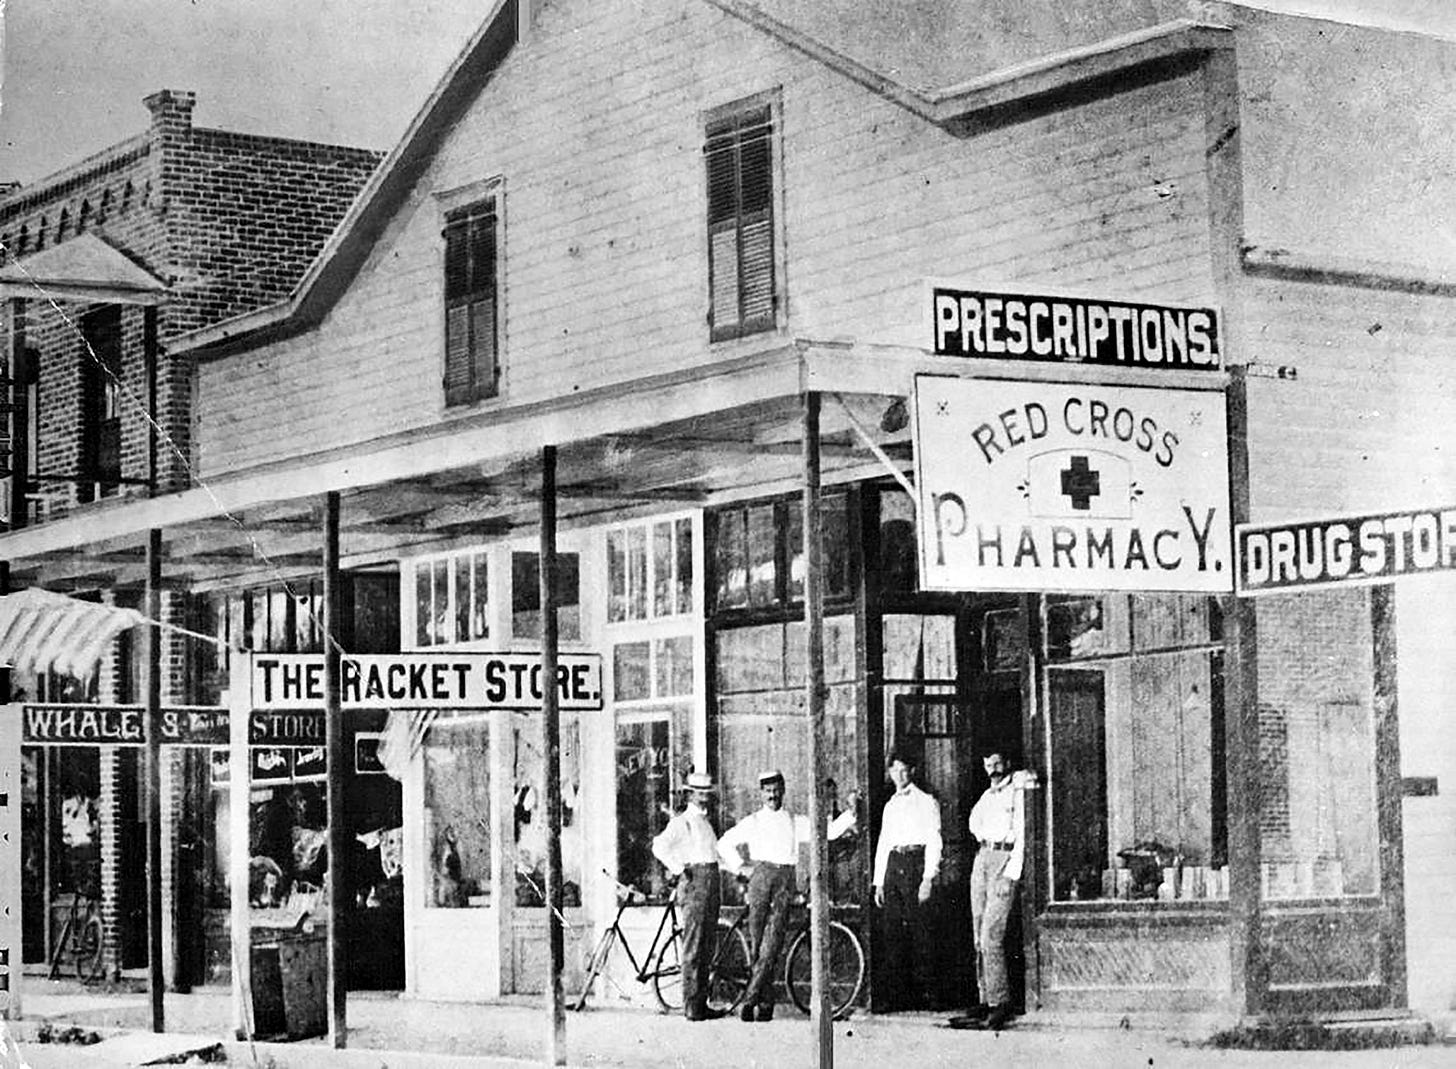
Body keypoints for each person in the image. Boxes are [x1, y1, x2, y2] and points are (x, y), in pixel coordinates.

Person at [717, 770, 858, 1022]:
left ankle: (750, 999)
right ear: (761, 794)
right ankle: (766, 1004)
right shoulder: (754, 821)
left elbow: (827, 832)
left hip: (784, 881)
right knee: (759, 943)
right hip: (760, 880)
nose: (772, 795)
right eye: (767, 791)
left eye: (776, 790)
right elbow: (723, 844)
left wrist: (851, 813)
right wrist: (741, 867)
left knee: (772, 943)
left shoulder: (795, 820)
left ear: (783, 790)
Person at [957, 750, 1036, 1032]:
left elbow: (1023, 835)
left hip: (1004, 860)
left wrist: (1011, 873)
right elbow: (973, 823)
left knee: (992, 933)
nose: (994, 769)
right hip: (983, 859)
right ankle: (985, 997)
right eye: (988, 764)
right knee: (979, 931)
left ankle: (1001, 1002)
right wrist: (983, 845)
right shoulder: (986, 797)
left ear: (1008, 763)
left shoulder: (1015, 792)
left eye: (998, 763)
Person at [651, 769, 724, 1021]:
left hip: (711, 882)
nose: (704, 798)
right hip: (695, 884)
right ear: (689, 794)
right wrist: (680, 869)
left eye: (707, 793)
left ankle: (700, 1003)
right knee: (694, 945)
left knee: (706, 946)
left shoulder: (705, 823)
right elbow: (658, 846)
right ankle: (692, 1005)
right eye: (698, 793)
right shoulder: (681, 822)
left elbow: (714, 855)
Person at [872, 750, 942, 1010]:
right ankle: (896, 996)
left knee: (920, 930)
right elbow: (884, 843)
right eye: (894, 770)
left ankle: (928, 995)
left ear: (912, 770)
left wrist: (928, 878)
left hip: (915, 864)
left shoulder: (926, 801)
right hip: (894, 866)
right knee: (893, 932)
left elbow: (934, 840)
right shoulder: (890, 805)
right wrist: (879, 881)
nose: (899, 775)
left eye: (903, 769)